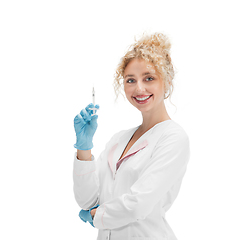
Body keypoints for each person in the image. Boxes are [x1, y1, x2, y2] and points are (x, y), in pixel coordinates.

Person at [73, 33, 189, 240]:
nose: (139, 88)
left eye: (149, 78)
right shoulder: (119, 139)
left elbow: (138, 204)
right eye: (130, 80)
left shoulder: (173, 137)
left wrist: (96, 216)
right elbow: (87, 200)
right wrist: (84, 147)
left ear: (167, 80)